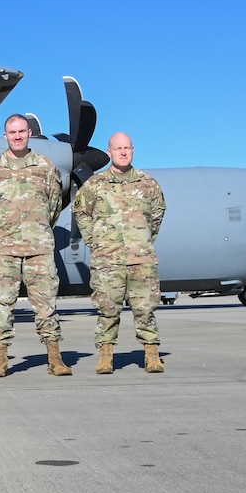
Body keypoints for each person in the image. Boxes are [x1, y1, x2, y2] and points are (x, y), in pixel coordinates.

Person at [0, 114, 73, 377]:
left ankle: (55, 357)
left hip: (38, 247)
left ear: (28, 133)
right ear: (5, 136)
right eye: (11, 132)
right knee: (1, 303)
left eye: (21, 131)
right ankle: (1, 359)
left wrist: (37, 230)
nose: (17, 136)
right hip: (3, 249)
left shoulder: (45, 166)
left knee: (46, 303)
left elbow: (55, 204)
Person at [72, 131, 167, 374]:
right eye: (118, 148)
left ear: (133, 150)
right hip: (108, 260)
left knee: (145, 308)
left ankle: (151, 353)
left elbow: (157, 215)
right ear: (109, 153)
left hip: (141, 259)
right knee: (107, 308)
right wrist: (96, 241)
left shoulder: (148, 183)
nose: (123, 152)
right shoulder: (95, 184)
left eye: (127, 148)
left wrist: (143, 240)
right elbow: (81, 213)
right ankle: (106, 355)